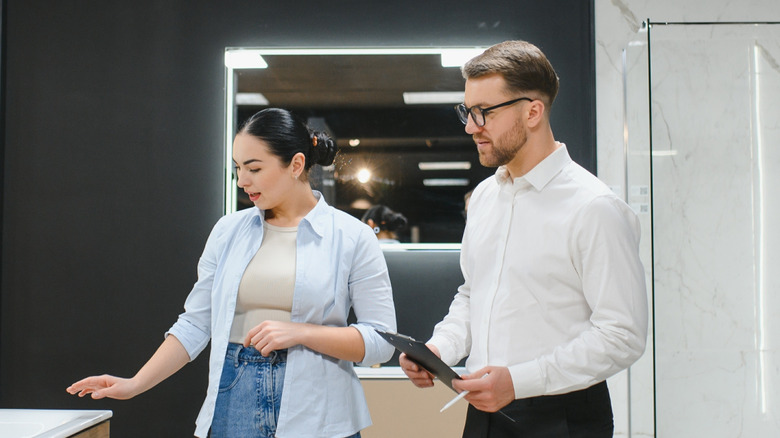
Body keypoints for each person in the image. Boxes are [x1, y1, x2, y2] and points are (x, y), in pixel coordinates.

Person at [67, 108, 397, 438]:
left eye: (254, 168)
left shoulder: (353, 236)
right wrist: (135, 383)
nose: (242, 181)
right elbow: (196, 323)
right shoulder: (228, 231)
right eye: (238, 168)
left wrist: (302, 332)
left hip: (322, 416)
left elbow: (381, 342)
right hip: (234, 402)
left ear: (296, 165)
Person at [399, 40, 648, 437]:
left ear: (533, 111)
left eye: (484, 113)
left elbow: (623, 336)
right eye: (466, 111)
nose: (470, 126)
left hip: (564, 418)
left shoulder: (595, 207)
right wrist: (439, 349)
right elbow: (472, 295)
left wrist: (519, 382)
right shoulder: (484, 197)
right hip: (483, 414)